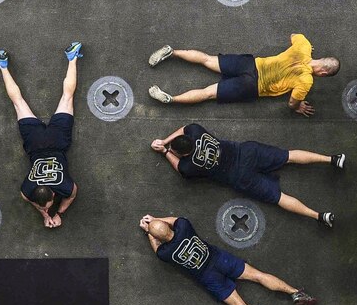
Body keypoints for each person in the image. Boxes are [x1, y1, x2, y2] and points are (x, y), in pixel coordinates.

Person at [139, 215, 318, 305]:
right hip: (220, 259)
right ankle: (295, 292)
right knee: (258, 276)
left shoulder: (166, 253)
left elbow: (157, 247)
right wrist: (155, 219)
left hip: (209, 278)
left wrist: (148, 231)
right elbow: (174, 220)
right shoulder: (184, 226)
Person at [151, 124, 343, 227]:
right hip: (246, 152)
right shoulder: (195, 130)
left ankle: (319, 216)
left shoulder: (188, 166)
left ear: (183, 154)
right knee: (288, 156)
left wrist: (165, 151)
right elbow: (184, 129)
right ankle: (331, 159)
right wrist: (167, 140)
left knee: (278, 197)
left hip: (239, 176)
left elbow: (178, 167)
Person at [0, 42, 83, 229]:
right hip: (35, 143)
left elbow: (73, 194)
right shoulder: (26, 190)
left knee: (67, 97)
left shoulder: (64, 187)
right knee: (18, 102)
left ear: (52, 194)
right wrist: (50, 213)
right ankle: (2, 65)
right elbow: (33, 200)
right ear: (51, 194)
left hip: (57, 141)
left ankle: (72, 58)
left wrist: (52, 214)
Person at [147, 34, 340, 117]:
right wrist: (297, 107)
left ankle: (172, 52)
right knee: (208, 93)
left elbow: (294, 35)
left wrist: (305, 48)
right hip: (253, 86)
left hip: (250, 63)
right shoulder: (306, 81)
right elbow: (291, 103)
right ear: (323, 72)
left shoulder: (304, 46)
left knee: (207, 59)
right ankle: (171, 98)